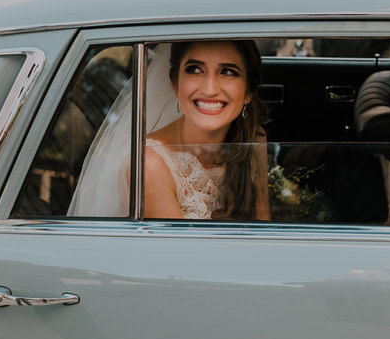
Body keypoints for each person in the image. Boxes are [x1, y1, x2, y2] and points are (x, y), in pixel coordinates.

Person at [68, 39, 269, 220]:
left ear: (248, 93)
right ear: (175, 85)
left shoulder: (254, 139)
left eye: (227, 71)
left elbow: (264, 233)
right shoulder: (150, 165)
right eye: (195, 69)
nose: (210, 89)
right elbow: (177, 259)